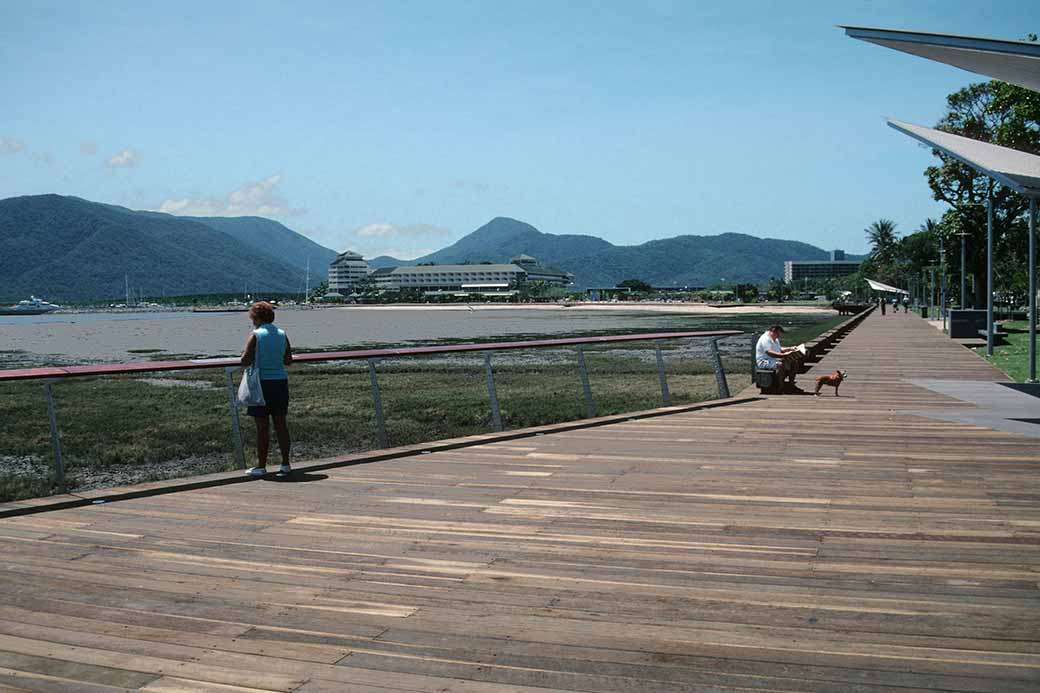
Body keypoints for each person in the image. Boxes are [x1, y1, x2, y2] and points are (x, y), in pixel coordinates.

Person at [240, 301, 293, 477]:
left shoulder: (256, 335)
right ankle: (285, 464)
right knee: (281, 425)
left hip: (261, 384)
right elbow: (288, 360)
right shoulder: (282, 334)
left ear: (256, 318)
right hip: (280, 382)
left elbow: (245, 360)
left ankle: (261, 466)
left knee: (262, 427)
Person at [756, 324, 803, 393]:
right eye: (778, 333)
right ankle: (780, 386)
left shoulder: (775, 338)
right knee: (781, 364)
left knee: (794, 363)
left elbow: (779, 349)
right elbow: (769, 353)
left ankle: (791, 385)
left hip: (773, 359)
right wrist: (783, 355)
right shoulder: (765, 339)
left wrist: (790, 348)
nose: (779, 335)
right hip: (764, 361)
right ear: (773, 331)